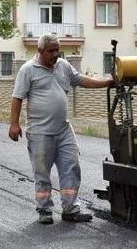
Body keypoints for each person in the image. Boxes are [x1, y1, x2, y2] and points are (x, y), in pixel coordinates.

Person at [9, 33, 114, 225]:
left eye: (58, 49)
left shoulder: (63, 66)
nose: (56, 54)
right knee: (42, 173)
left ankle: (70, 209)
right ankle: (44, 210)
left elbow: (82, 80)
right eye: (51, 51)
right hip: (40, 132)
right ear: (40, 51)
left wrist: (108, 82)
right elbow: (17, 98)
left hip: (64, 130)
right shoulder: (28, 70)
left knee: (71, 167)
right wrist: (14, 124)